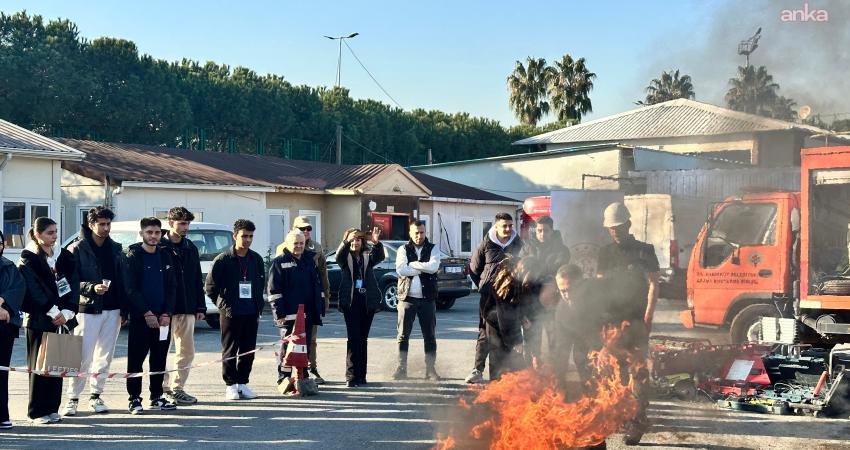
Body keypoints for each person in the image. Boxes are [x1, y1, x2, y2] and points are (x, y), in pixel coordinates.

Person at [595, 202, 659, 446]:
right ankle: (620, 416)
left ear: (628, 224)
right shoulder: (605, 253)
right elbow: (600, 288)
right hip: (610, 322)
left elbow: (654, 284)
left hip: (635, 321)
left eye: (619, 227)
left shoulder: (645, 251)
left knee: (638, 372)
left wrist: (648, 317)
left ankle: (637, 422)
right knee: (612, 371)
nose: (615, 231)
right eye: (611, 228)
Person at [63, 206, 126, 416]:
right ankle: (72, 399)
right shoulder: (77, 248)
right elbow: (69, 282)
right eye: (102, 224)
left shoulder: (116, 248)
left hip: (113, 308)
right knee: (82, 356)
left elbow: (123, 280)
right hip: (87, 309)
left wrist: (124, 310)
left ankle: (96, 396)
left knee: (104, 356)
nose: (106, 228)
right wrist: (91, 288)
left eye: (108, 224)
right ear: (91, 224)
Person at [17, 217, 78, 424]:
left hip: (63, 318)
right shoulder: (28, 258)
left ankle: (52, 407)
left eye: (55, 232)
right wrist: (52, 311)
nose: (54, 236)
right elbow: (33, 289)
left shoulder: (64, 256)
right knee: (39, 366)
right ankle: (37, 411)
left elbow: (73, 283)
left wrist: (68, 311)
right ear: (37, 235)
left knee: (57, 364)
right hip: (39, 319)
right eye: (50, 233)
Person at [205, 219, 265, 401]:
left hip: (251, 312)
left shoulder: (256, 259)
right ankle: (230, 385)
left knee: (248, 350)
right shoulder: (223, 259)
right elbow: (210, 287)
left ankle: (243, 383)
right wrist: (223, 306)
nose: (248, 240)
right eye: (244, 236)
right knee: (230, 350)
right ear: (235, 236)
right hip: (231, 313)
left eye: (251, 236)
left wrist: (258, 305)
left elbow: (260, 283)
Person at [124, 217, 177, 414]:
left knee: (159, 359)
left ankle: (157, 397)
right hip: (141, 318)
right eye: (149, 232)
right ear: (142, 234)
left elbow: (172, 287)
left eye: (157, 232)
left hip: (163, 319)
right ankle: (134, 399)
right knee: (136, 360)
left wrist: (167, 313)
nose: (154, 236)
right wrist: (146, 313)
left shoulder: (165, 255)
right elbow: (130, 289)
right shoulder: (132, 256)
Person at [465, 212, 523, 384]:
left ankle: (510, 374)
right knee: (485, 332)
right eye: (504, 226)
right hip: (489, 298)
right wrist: (484, 287)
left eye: (510, 226)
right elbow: (474, 269)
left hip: (510, 296)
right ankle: (478, 369)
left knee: (510, 330)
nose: (508, 229)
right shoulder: (486, 243)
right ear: (496, 226)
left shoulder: (519, 244)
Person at [276, 215, 330, 384]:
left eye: (308, 229)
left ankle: (308, 370)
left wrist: (325, 296)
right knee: (288, 341)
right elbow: (276, 285)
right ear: (293, 229)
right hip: (290, 306)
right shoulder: (283, 249)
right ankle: (284, 376)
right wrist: (279, 311)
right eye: (302, 229)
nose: (306, 231)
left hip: (309, 305)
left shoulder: (314, 250)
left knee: (309, 340)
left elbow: (322, 274)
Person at [160, 207, 205, 405]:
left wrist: (200, 307)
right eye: (182, 223)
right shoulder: (160, 246)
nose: (186, 227)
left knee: (186, 351)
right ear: (171, 223)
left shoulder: (190, 247)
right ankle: (162, 389)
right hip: (165, 310)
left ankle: (178, 388)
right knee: (161, 351)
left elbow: (196, 278)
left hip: (187, 308)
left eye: (188, 223)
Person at [269, 229, 322, 394]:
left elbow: (316, 285)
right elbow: (274, 291)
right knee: (287, 348)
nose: (299, 246)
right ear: (287, 244)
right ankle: (284, 378)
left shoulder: (309, 260)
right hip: (289, 315)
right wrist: (279, 314)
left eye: (301, 243)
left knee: (304, 347)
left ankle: (303, 376)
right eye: (295, 243)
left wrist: (319, 307)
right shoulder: (279, 262)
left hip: (308, 314)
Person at [518, 216, 571, 368]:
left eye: (546, 231)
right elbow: (521, 270)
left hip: (551, 300)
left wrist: (538, 274)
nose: (542, 234)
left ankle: (555, 371)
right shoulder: (527, 248)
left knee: (554, 337)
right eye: (539, 230)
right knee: (531, 338)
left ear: (552, 231)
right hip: (530, 300)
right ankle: (530, 371)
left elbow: (559, 272)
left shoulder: (562, 250)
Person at [392, 220, 441, 381]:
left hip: (428, 299)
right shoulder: (403, 249)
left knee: (429, 336)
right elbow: (401, 269)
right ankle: (401, 369)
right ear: (410, 233)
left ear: (425, 232)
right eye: (416, 233)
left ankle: (430, 370)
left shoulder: (433, 248)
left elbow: (433, 267)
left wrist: (413, 265)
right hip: (407, 298)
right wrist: (422, 268)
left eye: (422, 232)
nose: (419, 235)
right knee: (402, 335)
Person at [336, 227, 384, 387]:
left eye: (358, 239)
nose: (355, 242)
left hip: (367, 302)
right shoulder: (345, 257)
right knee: (353, 338)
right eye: (352, 239)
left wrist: (376, 243)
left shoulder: (367, 256)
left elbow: (380, 256)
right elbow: (338, 255)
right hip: (350, 303)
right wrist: (346, 241)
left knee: (363, 339)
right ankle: (351, 376)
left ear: (362, 242)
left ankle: (361, 376)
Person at [0, 230, 25, 429]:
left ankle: (1, 415)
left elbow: (18, 289)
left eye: (0, 242)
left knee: (1, 372)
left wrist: (4, 303)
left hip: (4, 327)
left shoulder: (9, 266)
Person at [551, 264, 590, 383]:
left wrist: (605, 348)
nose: (567, 295)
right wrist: (559, 380)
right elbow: (562, 347)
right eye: (563, 291)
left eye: (570, 289)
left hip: (609, 340)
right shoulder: (561, 311)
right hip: (581, 337)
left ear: (581, 285)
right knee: (579, 357)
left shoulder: (598, 297)